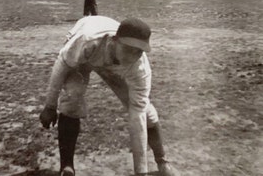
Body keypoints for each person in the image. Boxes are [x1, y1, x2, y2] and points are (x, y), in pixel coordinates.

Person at [40, 16, 179, 176]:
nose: (132, 56)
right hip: (85, 55)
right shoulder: (87, 39)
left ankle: (162, 160)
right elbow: (63, 65)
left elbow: (138, 115)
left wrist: (141, 172)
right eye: (128, 49)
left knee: (146, 113)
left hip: (114, 64)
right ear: (114, 40)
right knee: (72, 99)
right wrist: (50, 106)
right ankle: (67, 166)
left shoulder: (140, 68)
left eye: (139, 51)